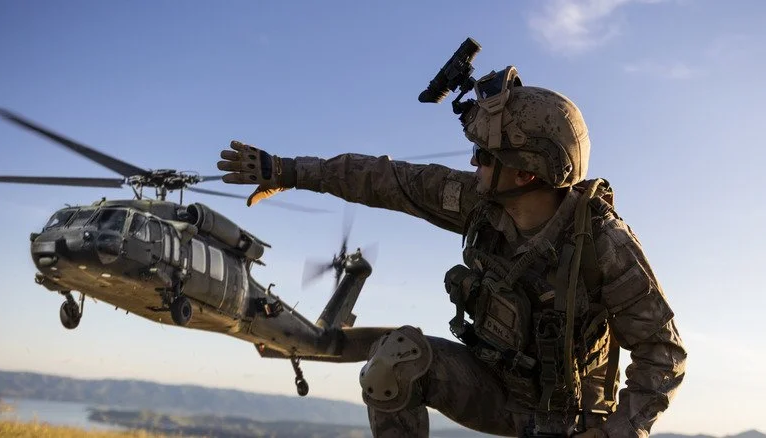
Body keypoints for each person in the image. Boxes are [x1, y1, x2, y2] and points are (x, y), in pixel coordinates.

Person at [216, 66, 686, 438]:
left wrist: (616, 433)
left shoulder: (604, 246)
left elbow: (663, 351)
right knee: (392, 362)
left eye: (484, 155)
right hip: (494, 388)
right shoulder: (480, 204)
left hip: (569, 419)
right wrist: (289, 170)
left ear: (526, 173)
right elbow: (385, 180)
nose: (472, 163)